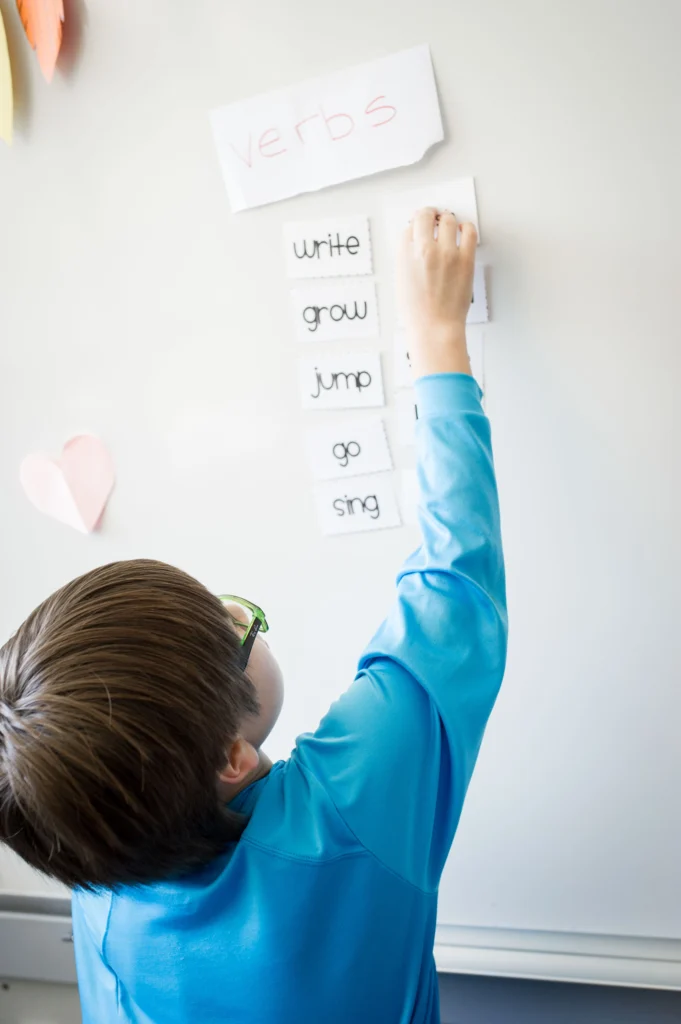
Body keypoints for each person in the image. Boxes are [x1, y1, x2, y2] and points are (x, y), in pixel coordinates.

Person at [0, 208, 507, 1024]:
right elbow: (453, 591)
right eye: (233, 626)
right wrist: (437, 339)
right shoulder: (351, 804)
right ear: (231, 756)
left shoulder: (100, 869)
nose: (237, 611)